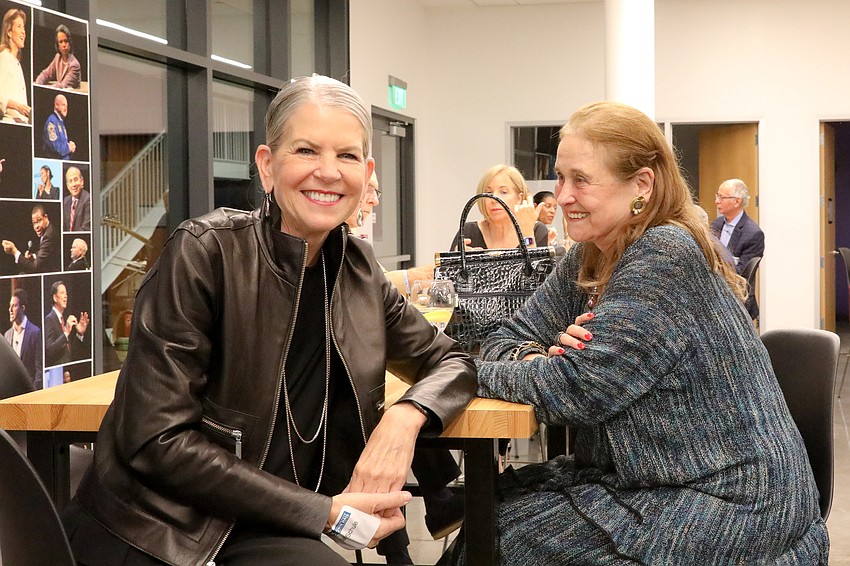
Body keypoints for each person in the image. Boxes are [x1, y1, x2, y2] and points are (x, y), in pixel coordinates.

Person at [61, 74, 477, 566]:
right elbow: (156, 440)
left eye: (346, 156)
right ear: (266, 166)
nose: (328, 172)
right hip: (165, 528)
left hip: (268, 525)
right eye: (305, 151)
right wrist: (323, 512)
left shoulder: (358, 270)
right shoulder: (205, 253)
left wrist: (406, 418)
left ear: (366, 173)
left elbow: (452, 361)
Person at [456, 101, 827, 564]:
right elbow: (506, 336)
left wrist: (471, 371)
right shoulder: (590, 252)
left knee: (501, 540)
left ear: (642, 185)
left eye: (581, 179)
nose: (562, 195)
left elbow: (579, 391)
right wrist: (537, 357)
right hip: (650, 474)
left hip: (730, 498)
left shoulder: (664, 253)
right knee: (488, 511)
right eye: (560, 177)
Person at [346, 172, 464, 565]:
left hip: (349, 390)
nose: (376, 201)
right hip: (315, 421)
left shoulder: (350, 249)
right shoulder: (342, 249)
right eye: (373, 190)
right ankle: (438, 500)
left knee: (404, 400)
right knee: (387, 404)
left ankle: (415, 529)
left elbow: (376, 293)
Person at [449, 165, 548, 251]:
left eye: (503, 192)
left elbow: (536, 271)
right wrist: (458, 260)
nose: (494, 199)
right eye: (488, 193)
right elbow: (445, 270)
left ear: (519, 198)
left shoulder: (536, 230)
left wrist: (527, 234)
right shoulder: (468, 231)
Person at [710, 178, 764, 319]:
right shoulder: (716, 225)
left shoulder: (753, 233)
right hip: (714, 297)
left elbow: (740, 274)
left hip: (737, 301)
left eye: (721, 197)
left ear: (737, 201)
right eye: (717, 196)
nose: (717, 201)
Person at [2, 204, 60, 274]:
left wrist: (14, 251)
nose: (36, 226)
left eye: (39, 221)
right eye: (34, 223)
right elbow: (45, 251)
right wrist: (33, 256)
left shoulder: (48, 235)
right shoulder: (48, 230)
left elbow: (34, 267)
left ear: (46, 217)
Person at [44, 280, 89, 367]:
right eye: (62, 293)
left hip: (68, 371)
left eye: (66, 294)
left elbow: (69, 353)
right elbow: (49, 350)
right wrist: (66, 332)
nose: (65, 296)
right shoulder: (49, 319)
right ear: (55, 298)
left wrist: (80, 334)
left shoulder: (62, 318)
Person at [5, 288, 43, 390]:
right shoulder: (7, 335)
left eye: (14, 306)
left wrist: (34, 393)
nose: (10, 310)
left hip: (29, 392)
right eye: (10, 306)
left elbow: (39, 368)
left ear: (23, 308)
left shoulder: (35, 332)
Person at [0, 8, 30, 124]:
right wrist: (17, 107)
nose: (23, 32)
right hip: (9, 125)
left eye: (23, 27)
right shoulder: (4, 57)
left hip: (21, 125)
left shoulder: (16, 62)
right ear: (9, 32)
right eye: (19, 26)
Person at [34, 24, 81, 89]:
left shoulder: (75, 65)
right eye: (61, 42)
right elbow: (46, 74)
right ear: (57, 45)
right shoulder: (58, 57)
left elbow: (63, 85)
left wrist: (45, 87)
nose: (64, 45)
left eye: (66, 41)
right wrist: (38, 83)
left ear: (70, 42)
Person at [42, 94, 76, 159]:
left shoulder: (60, 122)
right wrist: (68, 147)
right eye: (63, 105)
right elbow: (55, 147)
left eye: (66, 106)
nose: (66, 109)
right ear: (56, 105)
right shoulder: (52, 121)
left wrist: (71, 146)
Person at [62, 166, 91, 231]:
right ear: (67, 186)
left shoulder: (88, 199)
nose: (73, 184)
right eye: (70, 181)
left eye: (75, 179)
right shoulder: (65, 201)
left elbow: (86, 228)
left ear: (82, 181)